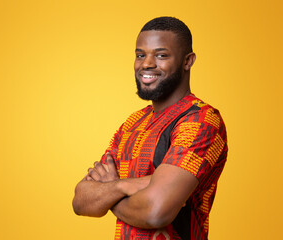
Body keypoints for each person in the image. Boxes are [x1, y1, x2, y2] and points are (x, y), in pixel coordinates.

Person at [72, 16, 228, 240]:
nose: (146, 64)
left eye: (161, 55)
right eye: (140, 55)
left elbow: (156, 212)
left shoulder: (201, 121)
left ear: (188, 61)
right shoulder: (132, 123)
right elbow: (81, 201)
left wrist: (110, 192)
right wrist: (128, 186)